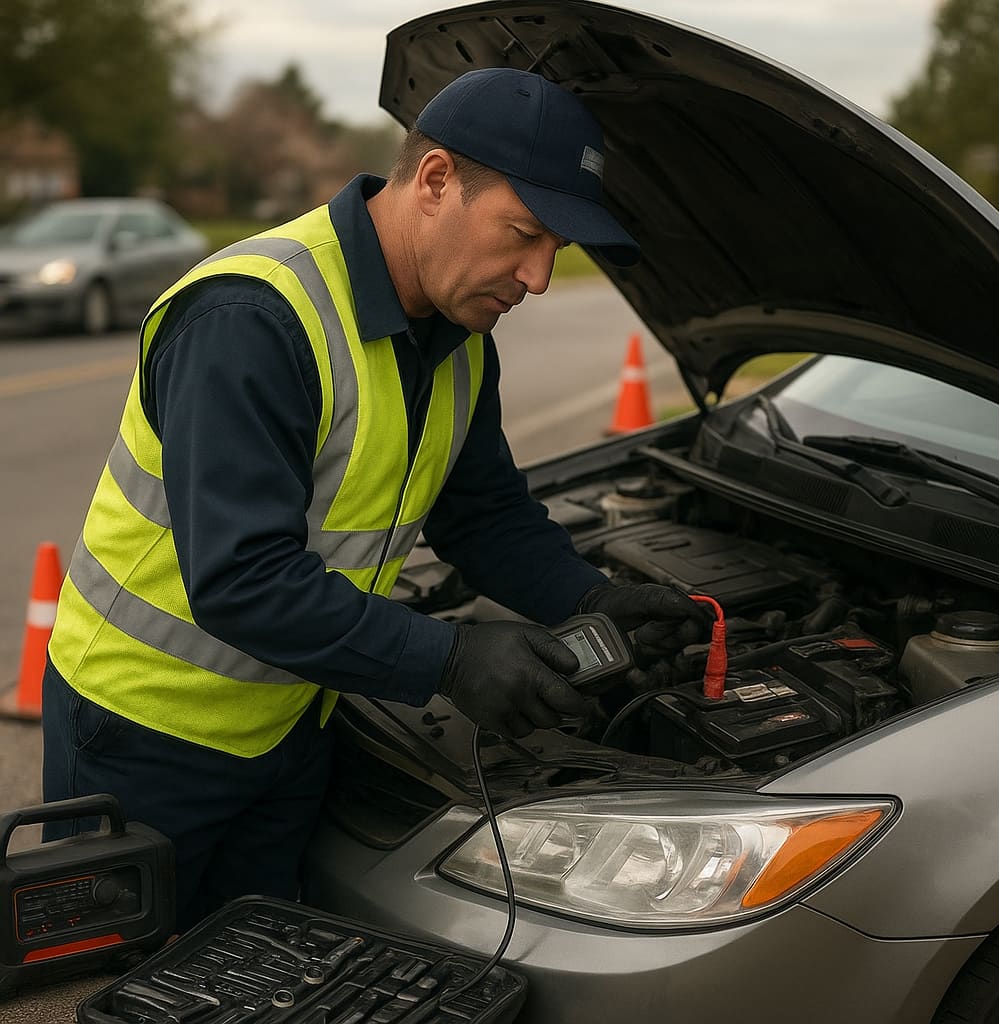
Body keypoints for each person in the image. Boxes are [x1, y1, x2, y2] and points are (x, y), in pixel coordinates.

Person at [41, 68, 709, 931]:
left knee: (254, 973)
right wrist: (452, 660)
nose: (537, 277)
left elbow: (485, 516)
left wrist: (594, 599)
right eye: (524, 234)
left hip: (293, 722)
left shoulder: (459, 339)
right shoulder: (252, 321)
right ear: (434, 181)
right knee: (131, 983)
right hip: (144, 737)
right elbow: (243, 579)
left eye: (557, 252)